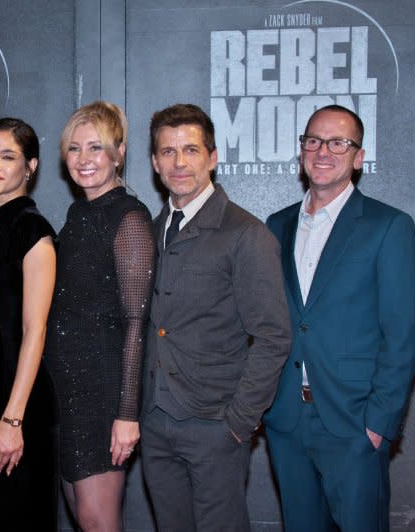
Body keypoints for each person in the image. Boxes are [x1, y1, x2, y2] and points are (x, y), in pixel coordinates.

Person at [263, 104, 415, 532]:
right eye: (313, 141)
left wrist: (378, 424)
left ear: (358, 156)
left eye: (338, 142)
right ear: (301, 151)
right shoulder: (276, 226)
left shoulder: (388, 227)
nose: (322, 151)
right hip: (287, 421)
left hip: (353, 424)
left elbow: (403, 335)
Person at [140, 103, 292, 531]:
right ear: (154, 163)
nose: (179, 162)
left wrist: (238, 421)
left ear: (213, 157)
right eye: (167, 152)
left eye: (191, 149)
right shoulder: (149, 231)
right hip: (155, 420)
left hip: (214, 425)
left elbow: (273, 336)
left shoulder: (245, 234)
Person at [45, 101, 155, 531]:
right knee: (80, 514)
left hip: (103, 395)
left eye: (96, 147)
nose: (84, 159)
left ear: (119, 153)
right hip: (67, 392)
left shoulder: (128, 218)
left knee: (97, 521)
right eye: (74, 149)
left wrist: (127, 414)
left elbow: (135, 323)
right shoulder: (77, 214)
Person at [0, 117, 59, 531]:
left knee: (14, 516)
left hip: (17, 396)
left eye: (8, 156)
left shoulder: (33, 231)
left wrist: (13, 418)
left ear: (31, 166)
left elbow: (35, 330)